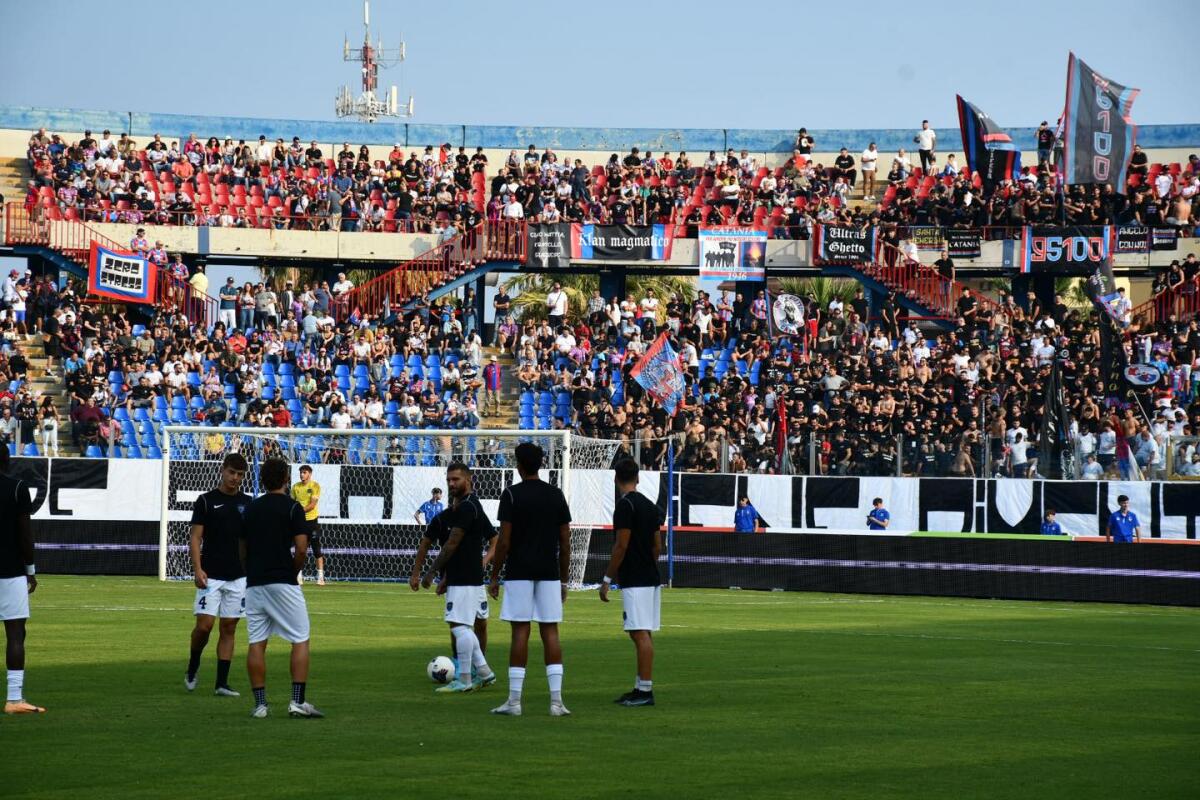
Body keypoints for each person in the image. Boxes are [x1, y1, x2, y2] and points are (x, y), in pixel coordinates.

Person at [488, 443, 573, 717]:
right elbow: (565, 540)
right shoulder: (556, 495)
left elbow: (504, 541)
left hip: (519, 571)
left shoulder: (511, 495)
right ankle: (556, 702)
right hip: (548, 572)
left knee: (520, 632)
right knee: (550, 632)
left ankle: (514, 702)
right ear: (541, 463)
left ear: (519, 465)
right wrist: (563, 579)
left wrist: (494, 575)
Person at [240, 458, 323, 718]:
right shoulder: (293, 508)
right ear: (287, 480)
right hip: (282, 581)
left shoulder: (250, 509)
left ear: (262, 480)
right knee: (300, 639)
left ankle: (260, 705)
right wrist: (293, 572)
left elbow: (241, 547)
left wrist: (249, 571)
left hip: (254, 583)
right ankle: (297, 702)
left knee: (256, 642)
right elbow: (301, 548)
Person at [417, 462, 497, 694]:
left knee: (460, 627)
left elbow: (452, 544)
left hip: (464, 577)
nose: (451, 483)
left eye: (456, 480)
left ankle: (464, 679)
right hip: (471, 576)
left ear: (469, 480)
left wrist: (432, 572)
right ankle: (483, 672)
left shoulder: (466, 508)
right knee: (467, 626)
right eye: (449, 479)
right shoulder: (473, 505)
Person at [600, 458, 664, 708]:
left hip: (635, 578)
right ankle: (640, 686)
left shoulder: (625, 506)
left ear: (616, 479)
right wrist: (648, 564)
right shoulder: (649, 505)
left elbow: (621, 544)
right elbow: (657, 545)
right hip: (649, 575)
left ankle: (645, 691)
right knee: (643, 631)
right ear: (637, 478)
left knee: (638, 633)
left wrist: (607, 578)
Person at [185, 453, 251, 697]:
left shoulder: (248, 503)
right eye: (232, 472)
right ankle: (193, 664)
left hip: (238, 576)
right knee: (204, 626)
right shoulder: (205, 501)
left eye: (240, 475)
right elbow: (195, 537)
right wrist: (197, 568)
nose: (235, 478)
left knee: (229, 628)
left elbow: (248, 540)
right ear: (223, 470)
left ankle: (221, 683)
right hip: (210, 575)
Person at [1, 446, 43, 714]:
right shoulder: (17, 488)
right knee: (16, 634)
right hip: (10, 571)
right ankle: (14, 699)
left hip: (10, 571)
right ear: (6, 460)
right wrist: (30, 569)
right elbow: (25, 534)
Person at [290, 465, 324, 586]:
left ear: (309, 473)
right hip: (299, 522)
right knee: (300, 549)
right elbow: (292, 503)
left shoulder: (315, 486)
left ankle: (320, 577)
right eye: (301, 473)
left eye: (304, 472)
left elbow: (312, 505)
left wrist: (298, 512)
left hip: (312, 522)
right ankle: (298, 576)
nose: (302, 475)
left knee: (317, 550)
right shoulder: (295, 487)